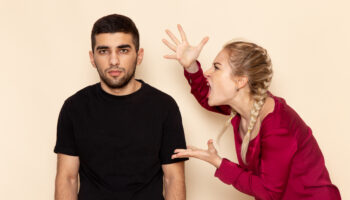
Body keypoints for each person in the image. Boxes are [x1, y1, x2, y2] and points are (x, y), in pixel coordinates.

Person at [162, 24, 341, 200]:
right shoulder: (244, 110)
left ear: (240, 81)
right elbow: (206, 97)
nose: (208, 73)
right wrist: (191, 66)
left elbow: (269, 192)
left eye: (216, 67)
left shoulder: (277, 125)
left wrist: (218, 162)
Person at [54, 15, 188, 200]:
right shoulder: (74, 107)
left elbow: (173, 179)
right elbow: (67, 179)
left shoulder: (164, 107)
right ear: (92, 58)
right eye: (103, 51)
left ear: (139, 56)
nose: (114, 61)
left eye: (123, 50)